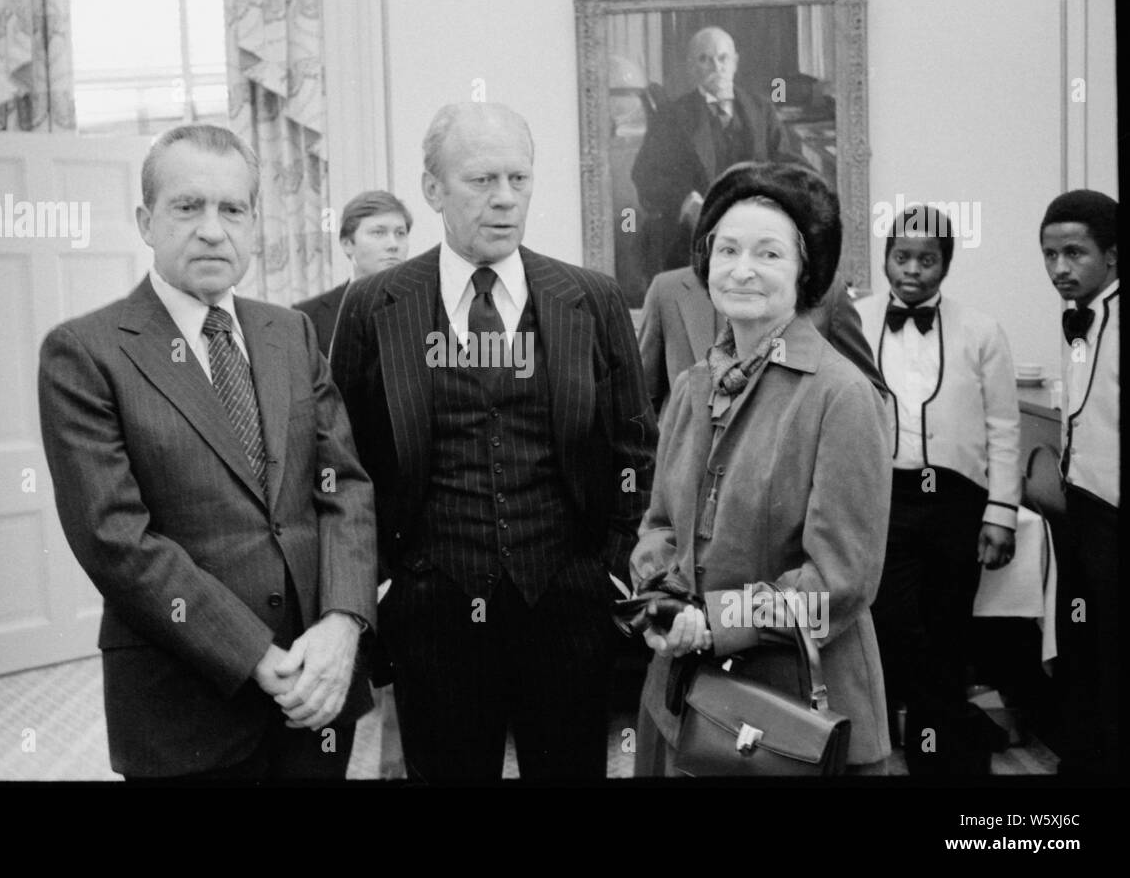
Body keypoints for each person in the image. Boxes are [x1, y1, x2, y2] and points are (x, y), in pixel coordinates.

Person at [38, 124, 377, 780]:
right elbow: (115, 540)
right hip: (183, 714)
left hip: (315, 698)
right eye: (187, 206)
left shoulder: (290, 333)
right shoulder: (86, 353)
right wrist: (253, 653)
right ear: (146, 220)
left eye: (233, 209)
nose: (213, 229)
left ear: (254, 225)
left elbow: (346, 487)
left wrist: (343, 622)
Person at [330, 102, 657, 781]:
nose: (505, 199)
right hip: (431, 614)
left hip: (567, 606)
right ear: (433, 190)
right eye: (481, 180)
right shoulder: (375, 306)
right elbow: (343, 459)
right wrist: (383, 586)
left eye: (519, 178)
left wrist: (615, 569)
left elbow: (635, 448)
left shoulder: (590, 299)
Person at [630, 161, 892, 776]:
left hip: (791, 717)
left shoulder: (840, 396)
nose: (742, 269)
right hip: (682, 704)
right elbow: (660, 524)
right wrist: (662, 601)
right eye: (727, 249)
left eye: (768, 253)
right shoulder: (695, 384)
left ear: (806, 273)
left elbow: (838, 582)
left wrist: (715, 621)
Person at [855, 204, 1021, 775]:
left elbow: (1004, 426)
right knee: (893, 623)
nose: (913, 270)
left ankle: (941, 759)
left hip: (957, 501)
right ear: (885, 259)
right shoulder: (854, 321)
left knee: (950, 626)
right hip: (884, 497)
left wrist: (1000, 512)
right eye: (902, 257)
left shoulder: (982, 330)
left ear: (945, 264)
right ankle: (931, 732)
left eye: (927, 260)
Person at [1037, 189, 1118, 777]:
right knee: (1082, 642)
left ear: (1111, 256)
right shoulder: (1079, 321)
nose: (1060, 269)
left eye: (1075, 253)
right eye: (1049, 255)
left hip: (1115, 515)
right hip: (1081, 509)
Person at [631, 27, 801, 275]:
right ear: (691, 67)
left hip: (756, 228)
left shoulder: (760, 108)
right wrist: (685, 201)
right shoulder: (671, 116)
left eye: (723, 58)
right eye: (704, 59)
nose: (716, 67)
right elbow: (646, 174)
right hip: (697, 234)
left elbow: (785, 159)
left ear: (735, 62)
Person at [639, 263, 884, 416]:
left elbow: (867, 394)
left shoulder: (825, 290)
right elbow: (642, 403)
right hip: (694, 487)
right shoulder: (667, 290)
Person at [294, 190, 412, 355]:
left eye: (400, 233)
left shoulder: (428, 307)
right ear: (347, 244)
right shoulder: (308, 317)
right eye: (378, 232)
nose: (393, 244)